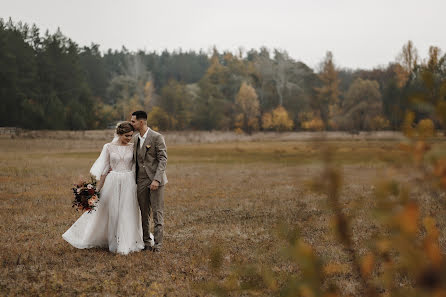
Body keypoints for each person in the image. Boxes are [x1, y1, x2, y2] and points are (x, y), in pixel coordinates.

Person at [62, 122, 147, 255]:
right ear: (119, 134)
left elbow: (137, 166)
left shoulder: (133, 147)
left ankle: (127, 242)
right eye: (126, 136)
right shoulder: (108, 147)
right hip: (112, 181)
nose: (129, 138)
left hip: (129, 181)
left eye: (131, 136)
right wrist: (97, 190)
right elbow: (105, 169)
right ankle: (113, 241)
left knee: (127, 211)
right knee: (113, 212)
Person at [131, 111, 168, 253]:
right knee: (144, 213)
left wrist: (157, 179)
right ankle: (147, 243)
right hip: (140, 180)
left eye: (133, 121)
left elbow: (163, 159)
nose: (131, 123)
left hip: (155, 181)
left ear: (141, 122)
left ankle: (158, 246)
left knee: (157, 214)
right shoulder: (135, 139)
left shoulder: (157, 137)